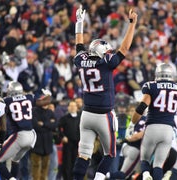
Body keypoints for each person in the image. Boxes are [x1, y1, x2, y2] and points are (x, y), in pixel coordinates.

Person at [72, 5, 137, 180]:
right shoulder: (105, 62)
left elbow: (79, 46)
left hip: (86, 114)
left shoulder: (81, 60)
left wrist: (79, 23)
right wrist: (132, 24)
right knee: (110, 154)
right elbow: (124, 48)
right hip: (103, 115)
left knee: (83, 154)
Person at [131, 63, 177, 180]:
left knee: (145, 159)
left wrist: (133, 123)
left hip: (152, 127)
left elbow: (142, 107)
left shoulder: (151, 85)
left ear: (157, 74)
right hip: (168, 130)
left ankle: (146, 174)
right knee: (158, 165)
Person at [0, 81, 52, 180]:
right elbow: (45, 101)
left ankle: (12, 179)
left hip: (19, 136)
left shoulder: (6, 101)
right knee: (15, 160)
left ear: (10, 91)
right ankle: (13, 177)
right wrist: (49, 94)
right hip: (32, 136)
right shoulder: (29, 97)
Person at [106, 115, 146, 180]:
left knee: (135, 174)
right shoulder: (151, 121)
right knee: (123, 175)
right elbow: (138, 136)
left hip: (125, 147)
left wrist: (125, 139)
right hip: (135, 150)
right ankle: (104, 175)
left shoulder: (138, 117)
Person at [30, 96, 57, 180]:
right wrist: (48, 124)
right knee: (36, 165)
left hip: (47, 143)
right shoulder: (34, 111)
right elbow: (35, 126)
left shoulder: (50, 112)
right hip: (36, 143)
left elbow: (55, 125)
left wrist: (44, 124)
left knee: (46, 166)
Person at [59, 100, 81, 180]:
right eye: (70, 106)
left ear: (77, 107)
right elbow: (58, 129)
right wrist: (63, 136)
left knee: (75, 163)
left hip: (77, 144)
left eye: (74, 106)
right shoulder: (64, 118)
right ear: (68, 108)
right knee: (67, 163)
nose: (72, 108)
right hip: (68, 144)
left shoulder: (80, 118)